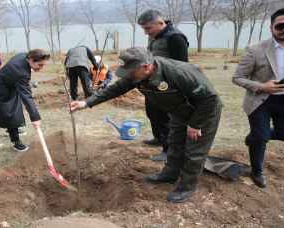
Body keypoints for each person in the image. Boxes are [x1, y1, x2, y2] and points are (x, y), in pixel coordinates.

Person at [70, 47, 222, 203]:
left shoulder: (178, 72)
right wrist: (86, 102)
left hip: (203, 113)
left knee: (194, 151)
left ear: (146, 66)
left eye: (131, 71)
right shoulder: (137, 75)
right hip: (179, 112)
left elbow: (209, 99)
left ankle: (186, 187)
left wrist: (196, 124)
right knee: (175, 143)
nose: (128, 75)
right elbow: (115, 89)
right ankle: (170, 174)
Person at [232, 8, 284, 188]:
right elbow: (237, 77)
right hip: (261, 100)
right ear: (271, 28)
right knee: (261, 138)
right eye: (280, 26)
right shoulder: (255, 50)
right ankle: (257, 171)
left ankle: (254, 136)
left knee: (278, 133)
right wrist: (262, 86)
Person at [137, 9, 189, 161]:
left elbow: (182, 66)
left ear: (161, 23)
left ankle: (168, 149)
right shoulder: (155, 36)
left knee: (166, 118)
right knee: (152, 113)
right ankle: (158, 138)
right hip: (153, 82)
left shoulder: (175, 38)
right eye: (144, 29)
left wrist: (175, 88)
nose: (146, 33)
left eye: (148, 28)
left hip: (168, 86)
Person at [0, 49, 50, 152]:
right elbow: (27, 96)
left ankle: (13, 129)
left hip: (10, 88)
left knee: (15, 112)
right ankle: (16, 142)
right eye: (40, 65)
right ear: (31, 60)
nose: (41, 68)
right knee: (10, 114)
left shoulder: (24, 55)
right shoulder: (21, 72)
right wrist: (35, 117)